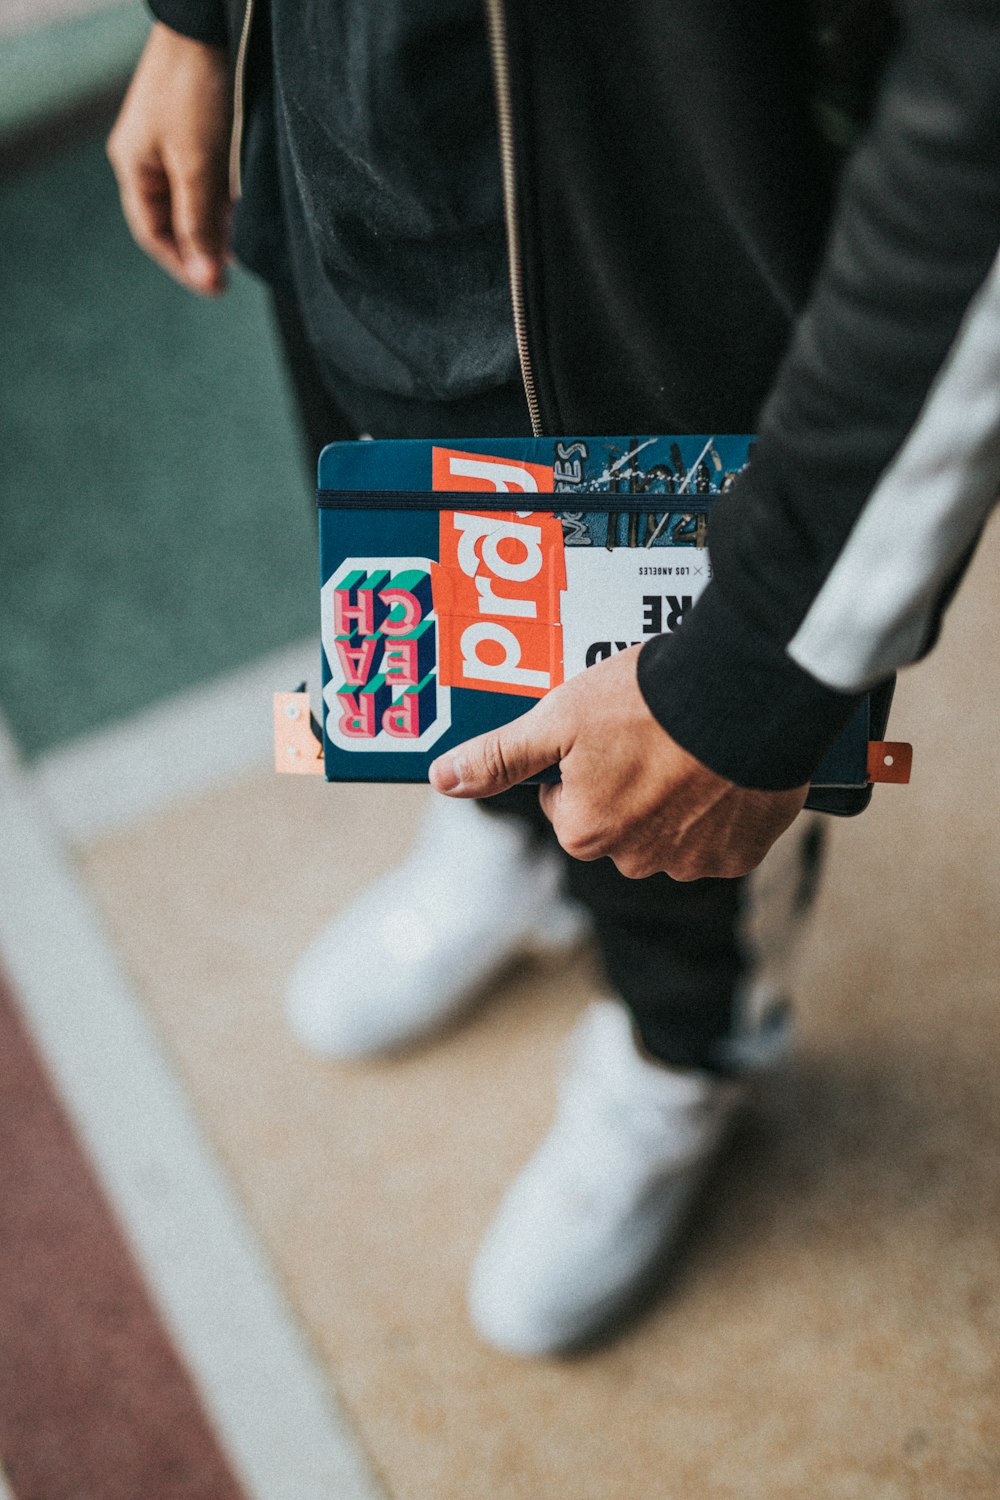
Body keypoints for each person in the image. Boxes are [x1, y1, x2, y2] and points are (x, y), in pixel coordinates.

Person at [108, 0, 1000, 1356]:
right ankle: (505, 844)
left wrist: (763, 659)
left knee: (675, 784)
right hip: (340, 135)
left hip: (671, 239)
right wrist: (199, 23)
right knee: (401, 567)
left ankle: (682, 1050)